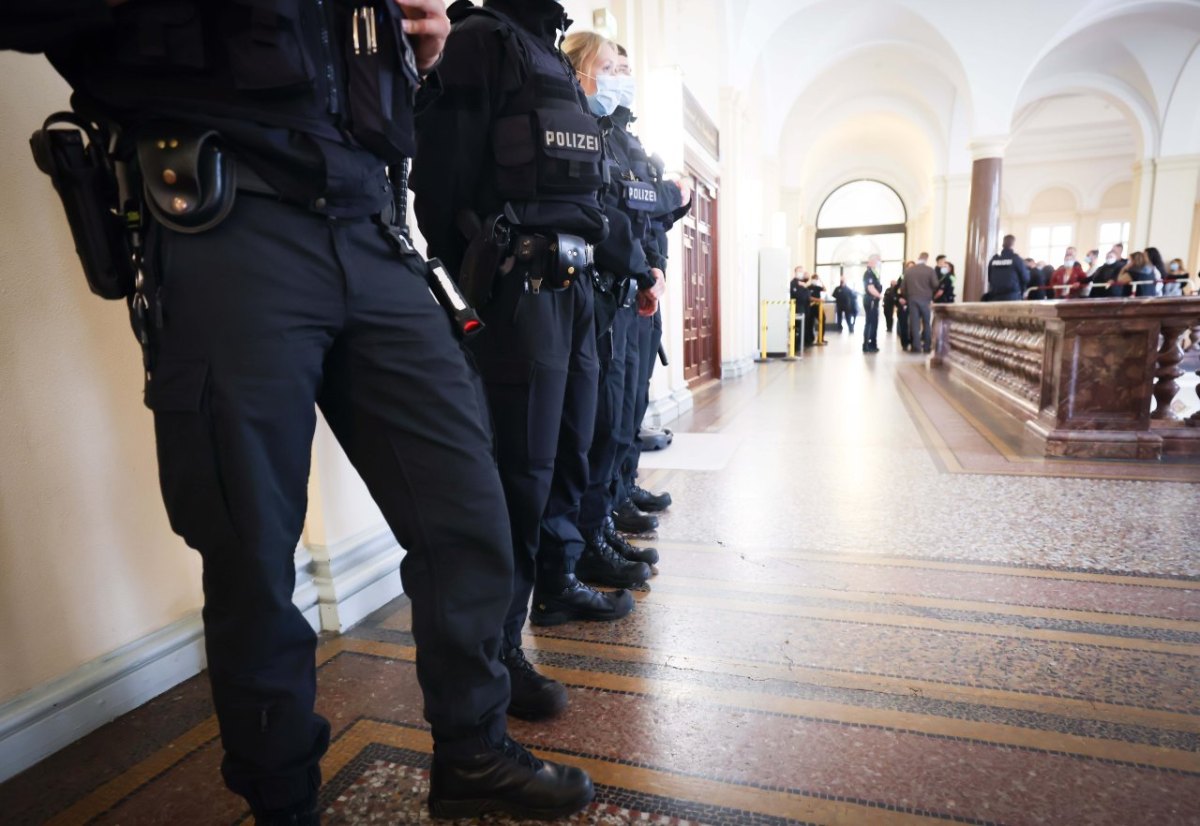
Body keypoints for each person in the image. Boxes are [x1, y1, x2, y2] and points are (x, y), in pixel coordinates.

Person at [3, 1, 597, 822]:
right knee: (249, 551)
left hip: (372, 229)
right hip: (224, 217)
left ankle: (473, 751)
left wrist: (405, 53)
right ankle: (284, 802)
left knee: (469, 512)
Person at [412, 0, 652, 816]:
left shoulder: (546, 54)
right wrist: (482, 277)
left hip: (575, 289)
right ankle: (501, 650)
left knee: (559, 464)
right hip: (517, 291)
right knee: (513, 480)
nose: (618, 76)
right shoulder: (481, 43)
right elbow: (438, 188)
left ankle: (532, 608)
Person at [559, 31, 665, 584]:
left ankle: (599, 528)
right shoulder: (578, 129)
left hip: (630, 288)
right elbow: (603, 215)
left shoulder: (624, 139)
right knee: (594, 426)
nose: (622, 76)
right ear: (579, 71)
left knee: (621, 417)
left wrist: (654, 270)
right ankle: (582, 543)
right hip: (597, 291)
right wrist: (641, 269)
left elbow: (648, 217)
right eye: (611, 65)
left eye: (626, 67)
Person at [900, 253, 939, 353]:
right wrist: (929, 291)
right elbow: (935, 284)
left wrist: (908, 296)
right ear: (926, 259)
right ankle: (926, 347)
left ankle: (916, 347)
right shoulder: (930, 270)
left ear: (918, 258)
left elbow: (903, 288)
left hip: (912, 299)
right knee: (926, 323)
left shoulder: (909, 271)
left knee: (914, 324)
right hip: (926, 299)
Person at [985, 235, 1030, 301]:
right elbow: (1026, 278)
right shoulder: (1016, 259)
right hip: (1012, 296)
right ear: (1013, 244)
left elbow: (989, 278)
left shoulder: (994, 259)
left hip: (995, 296)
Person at [862, 256, 883, 353]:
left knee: (874, 323)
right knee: (870, 323)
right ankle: (867, 345)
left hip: (873, 301)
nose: (878, 263)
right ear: (871, 261)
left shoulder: (874, 273)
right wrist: (879, 296)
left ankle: (872, 344)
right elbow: (870, 288)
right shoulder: (869, 273)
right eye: (877, 261)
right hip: (871, 300)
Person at [790, 268, 814, 349]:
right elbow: (797, 295)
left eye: (802, 271)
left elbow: (807, 295)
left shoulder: (803, 284)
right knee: (798, 327)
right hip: (798, 307)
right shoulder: (793, 283)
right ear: (796, 272)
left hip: (805, 307)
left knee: (804, 326)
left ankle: (803, 342)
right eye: (799, 271)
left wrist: (805, 286)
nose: (801, 273)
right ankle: (796, 345)